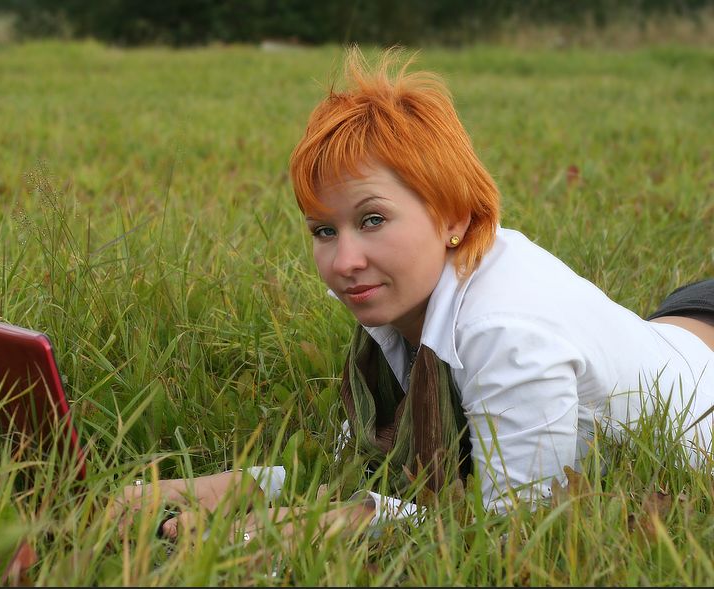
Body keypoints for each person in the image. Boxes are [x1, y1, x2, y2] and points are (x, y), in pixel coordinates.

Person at [111, 47, 714, 542]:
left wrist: (356, 522)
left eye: (373, 220)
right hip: (679, 328)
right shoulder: (394, 293)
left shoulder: (507, 336)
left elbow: (522, 532)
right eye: (325, 230)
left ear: (453, 214)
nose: (344, 262)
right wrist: (234, 484)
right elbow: (373, 465)